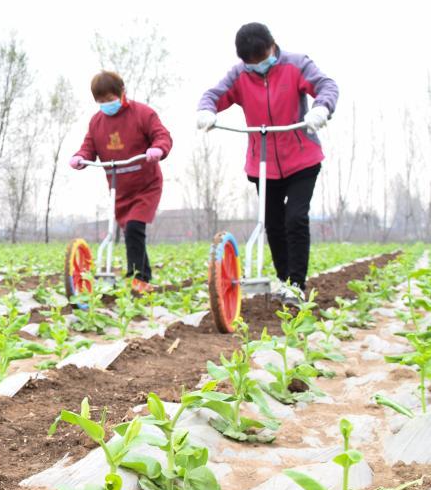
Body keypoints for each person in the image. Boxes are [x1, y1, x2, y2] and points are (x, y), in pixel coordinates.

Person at [196, 22, 339, 304]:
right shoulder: (239, 75)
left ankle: (297, 284)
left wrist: (322, 107)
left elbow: (326, 85)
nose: (257, 66)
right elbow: (214, 94)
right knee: (272, 223)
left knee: (295, 218)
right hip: (262, 162)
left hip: (302, 158)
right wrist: (206, 111)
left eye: (261, 59)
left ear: (273, 46)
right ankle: (285, 280)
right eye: (250, 63)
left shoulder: (296, 65)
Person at [69, 70, 172, 292]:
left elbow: (162, 135)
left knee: (135, 226)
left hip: (146, 184)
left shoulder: (143, 114)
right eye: (101, 101)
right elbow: (89, 146)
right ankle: (143, 279)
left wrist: (157, 149)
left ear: (122, 92)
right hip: (119, 187)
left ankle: (137, 278)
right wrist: (80, 157)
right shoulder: (97, 122)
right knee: (131, 233)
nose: (107, 105)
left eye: (110, 99)